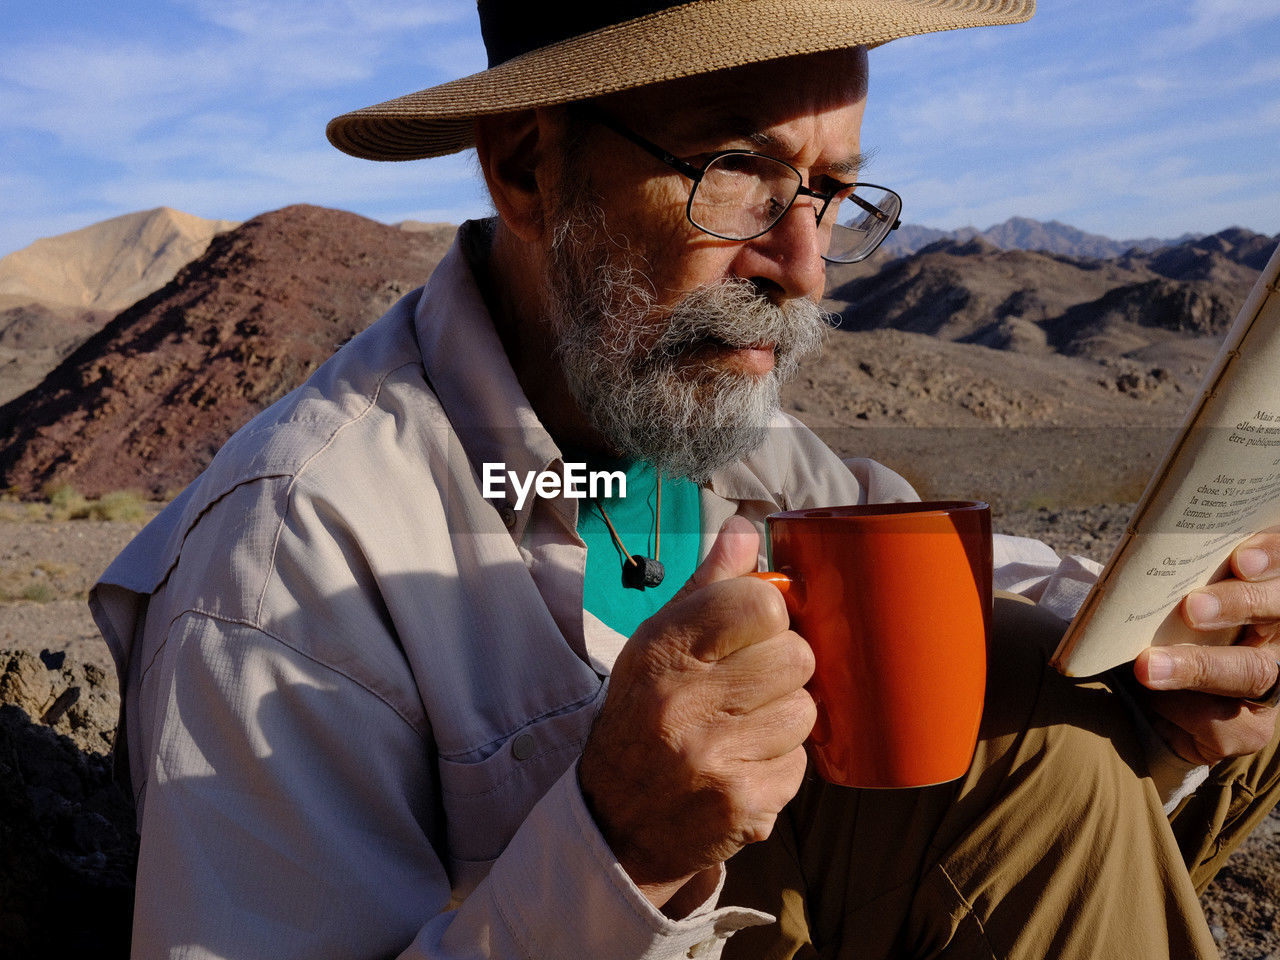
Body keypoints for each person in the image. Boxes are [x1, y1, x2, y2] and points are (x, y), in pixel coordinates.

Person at [92, 2, 1280, 957]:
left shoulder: (699, 428)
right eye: (735, 174)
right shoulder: (293, 552)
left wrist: (1178, 627)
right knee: (1038, 756)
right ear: (524, 170)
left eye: (824, 191)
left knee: (1116, 689)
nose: (804, 267)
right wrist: (617, 849)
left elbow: (927, 563)